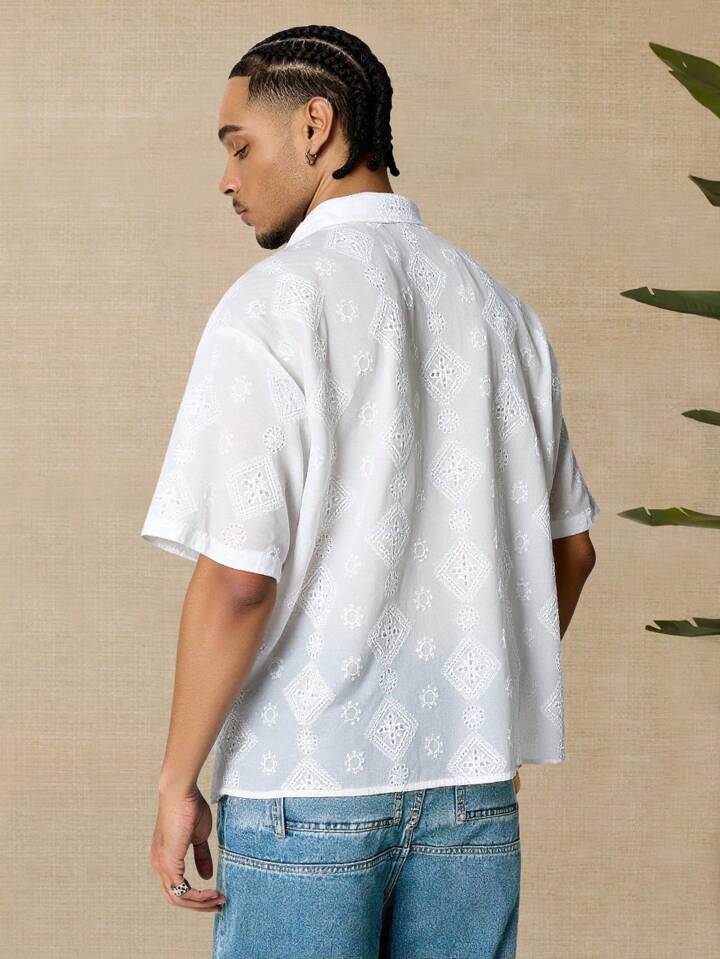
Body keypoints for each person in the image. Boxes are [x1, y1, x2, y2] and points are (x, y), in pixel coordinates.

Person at [143, 23, 599, 959]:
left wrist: (176, 778)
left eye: (240, 146)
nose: (227, 178)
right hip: (471, 795)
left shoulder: (271, 307)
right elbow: (574, 550)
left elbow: (239, 581)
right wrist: (480, 711)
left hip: (303, 783)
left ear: (315, 126)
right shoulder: (502, 313)